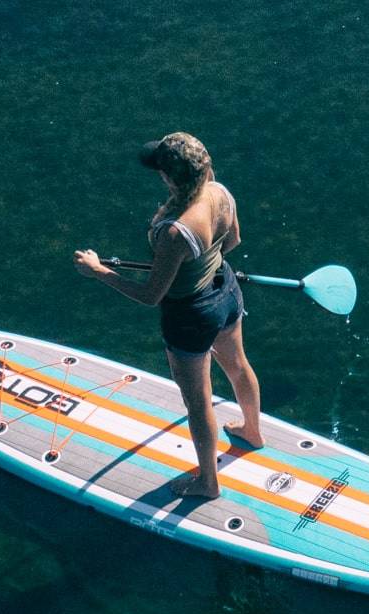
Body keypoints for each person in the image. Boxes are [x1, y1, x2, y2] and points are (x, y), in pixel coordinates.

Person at [73, 132, 263, 499]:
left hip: (190, 314)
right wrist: (198, 264)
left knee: (199, 401)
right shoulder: (221, 193)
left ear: (170, 179)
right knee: (238, 365)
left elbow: (151, 295)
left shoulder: (173, 232)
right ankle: (252, 432)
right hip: (225, 292)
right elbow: (233, 242)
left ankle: (207, 483)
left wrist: (98, 271)